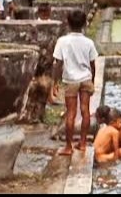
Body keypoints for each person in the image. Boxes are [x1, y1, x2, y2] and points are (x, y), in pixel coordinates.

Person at [50, 9, 98, 156]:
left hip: (70, 80)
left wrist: (54, 82)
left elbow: (58, 64)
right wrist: (92, 79)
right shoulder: (88, 42)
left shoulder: (62, 41)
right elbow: (93, 64)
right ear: (84, 24)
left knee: (71, 113)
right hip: (85, 79)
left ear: (68, 23)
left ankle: (69, 146)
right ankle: (83, 143)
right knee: (85, 111)